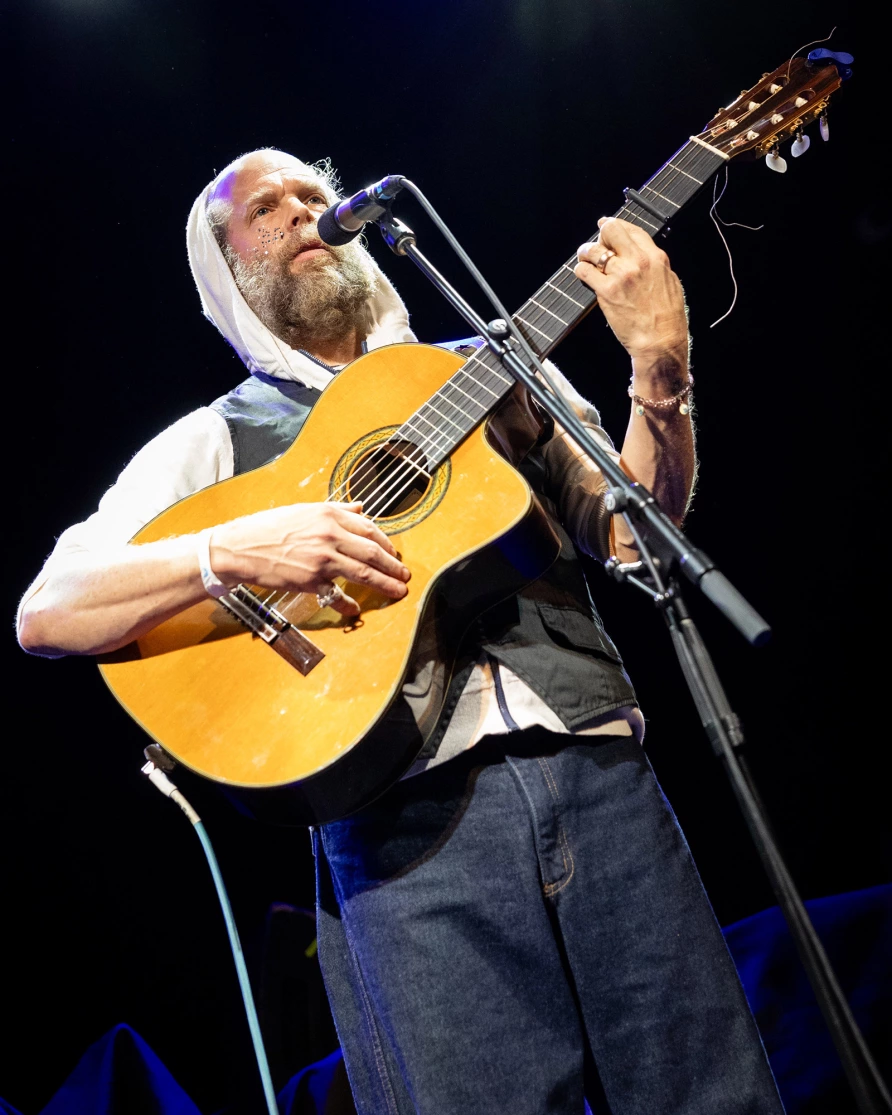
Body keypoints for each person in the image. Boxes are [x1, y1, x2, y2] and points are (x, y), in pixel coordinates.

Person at [17, 149, 784, 1114]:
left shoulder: (489, 366)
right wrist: (238, 548)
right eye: (266, 207)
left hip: (595, 768)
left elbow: (637, 533)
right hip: (402, 823)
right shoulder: (213, 440)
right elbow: (49, 609)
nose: (302, 211)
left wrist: (660, 371)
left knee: (712, 1093)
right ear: (224, 267)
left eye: (315, 194)